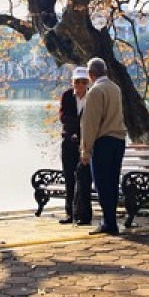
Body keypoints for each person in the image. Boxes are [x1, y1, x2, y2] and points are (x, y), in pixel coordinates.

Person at [79, 57, 127, 236]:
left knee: (101, 183)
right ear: (105, 71)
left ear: (91, 74)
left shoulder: (95, 91)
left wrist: (86, 150)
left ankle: (109, 222)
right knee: (112, 182)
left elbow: (90, 123)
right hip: (119, 140)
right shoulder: (116, 89)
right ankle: (111, 220)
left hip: (104, 141)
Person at [58, 67, 93, 225]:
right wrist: (79, 125)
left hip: (84, 142)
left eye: (83, 82)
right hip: (68, 142)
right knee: (69, 178)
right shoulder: (67, 96)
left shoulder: (92, 97)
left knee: (84, 179)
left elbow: (92, 119)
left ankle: (84, 214)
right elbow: (63, 117)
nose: (79, 85)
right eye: (76, 81)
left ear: (87, 83)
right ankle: (69, 213)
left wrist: (80, 129)